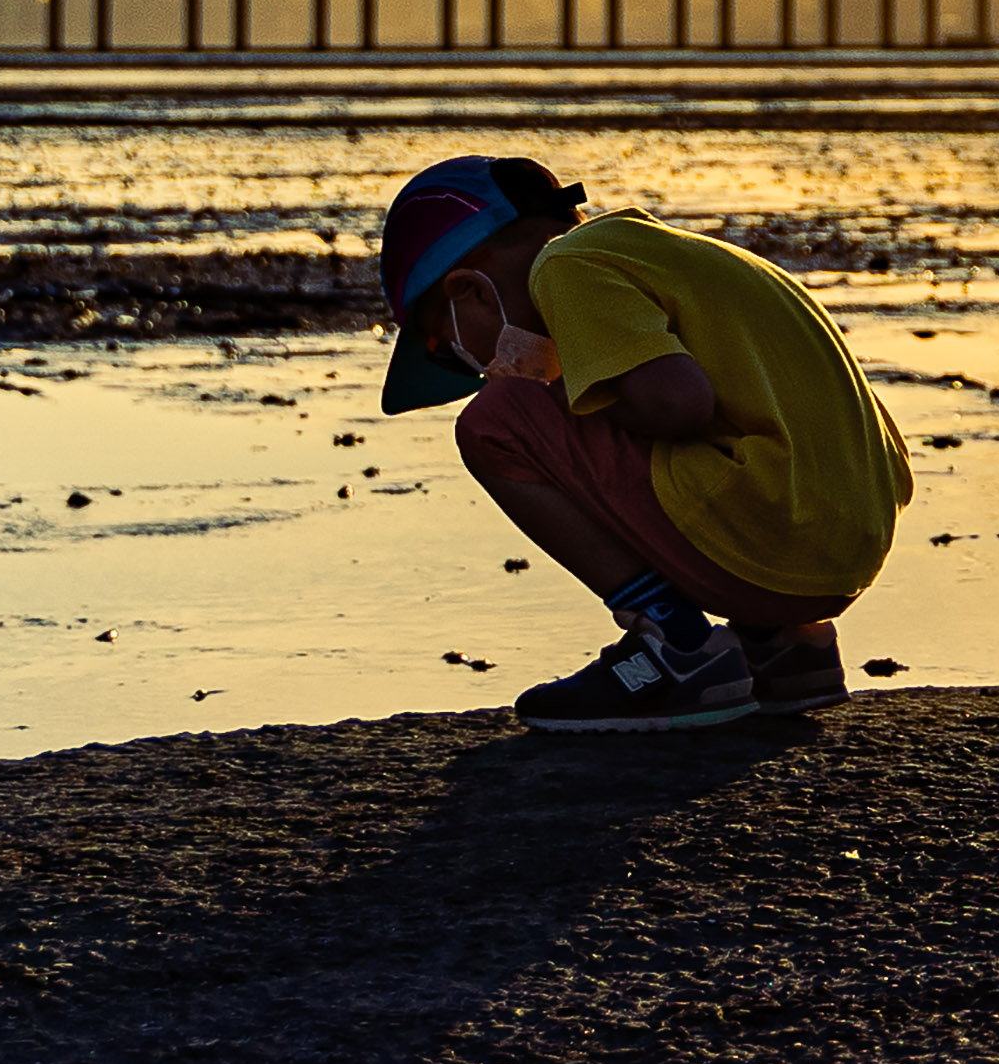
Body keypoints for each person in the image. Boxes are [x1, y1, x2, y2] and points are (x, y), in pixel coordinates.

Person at [375, 152, 909, 730]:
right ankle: (785, 647)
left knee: (497, 421)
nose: (476, 368)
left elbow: (676, 404)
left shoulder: (565, 267)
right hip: (843, 550)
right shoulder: (676, 255)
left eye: (446, 348)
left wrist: (576, 406)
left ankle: (674, 645)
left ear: (468, 291)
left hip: (769, 540)